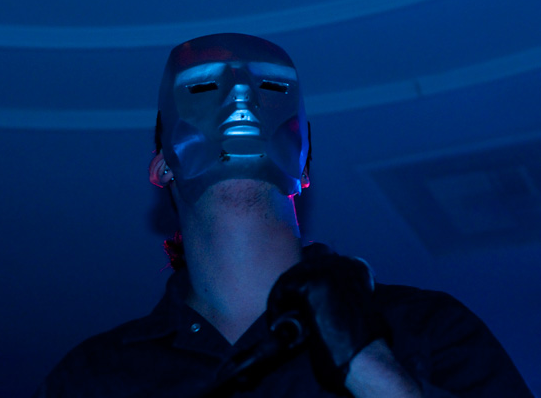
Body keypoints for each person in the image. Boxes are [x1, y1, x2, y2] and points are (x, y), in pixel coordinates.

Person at [34, 33, 534, 397]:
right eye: (203, 89)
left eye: (272, 88)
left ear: (304, 164)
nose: (242, 100)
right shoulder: (94, 377)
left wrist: (370, 368)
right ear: (163, 165)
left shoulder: (423, 327)